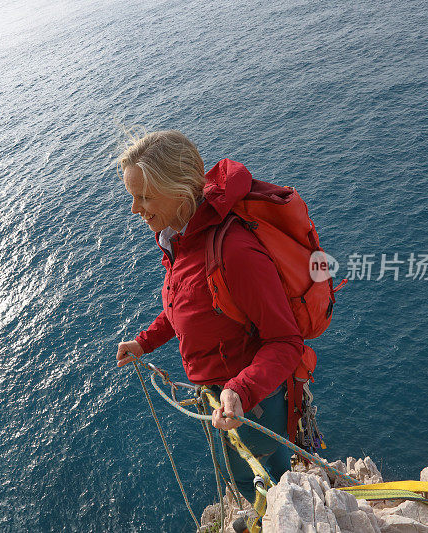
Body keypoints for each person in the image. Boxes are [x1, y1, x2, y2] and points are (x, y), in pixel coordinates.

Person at [115, 129, 304, 503]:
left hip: (253, 404)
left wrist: (239, 389)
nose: (135, 209)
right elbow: (188, 305)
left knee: (273, 483)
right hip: (226, 399)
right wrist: (145, 342)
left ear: (181, 189)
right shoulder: (178, 240)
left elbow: (286, 341)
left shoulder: (235, 252)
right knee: (245, 475)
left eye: (144, 196)